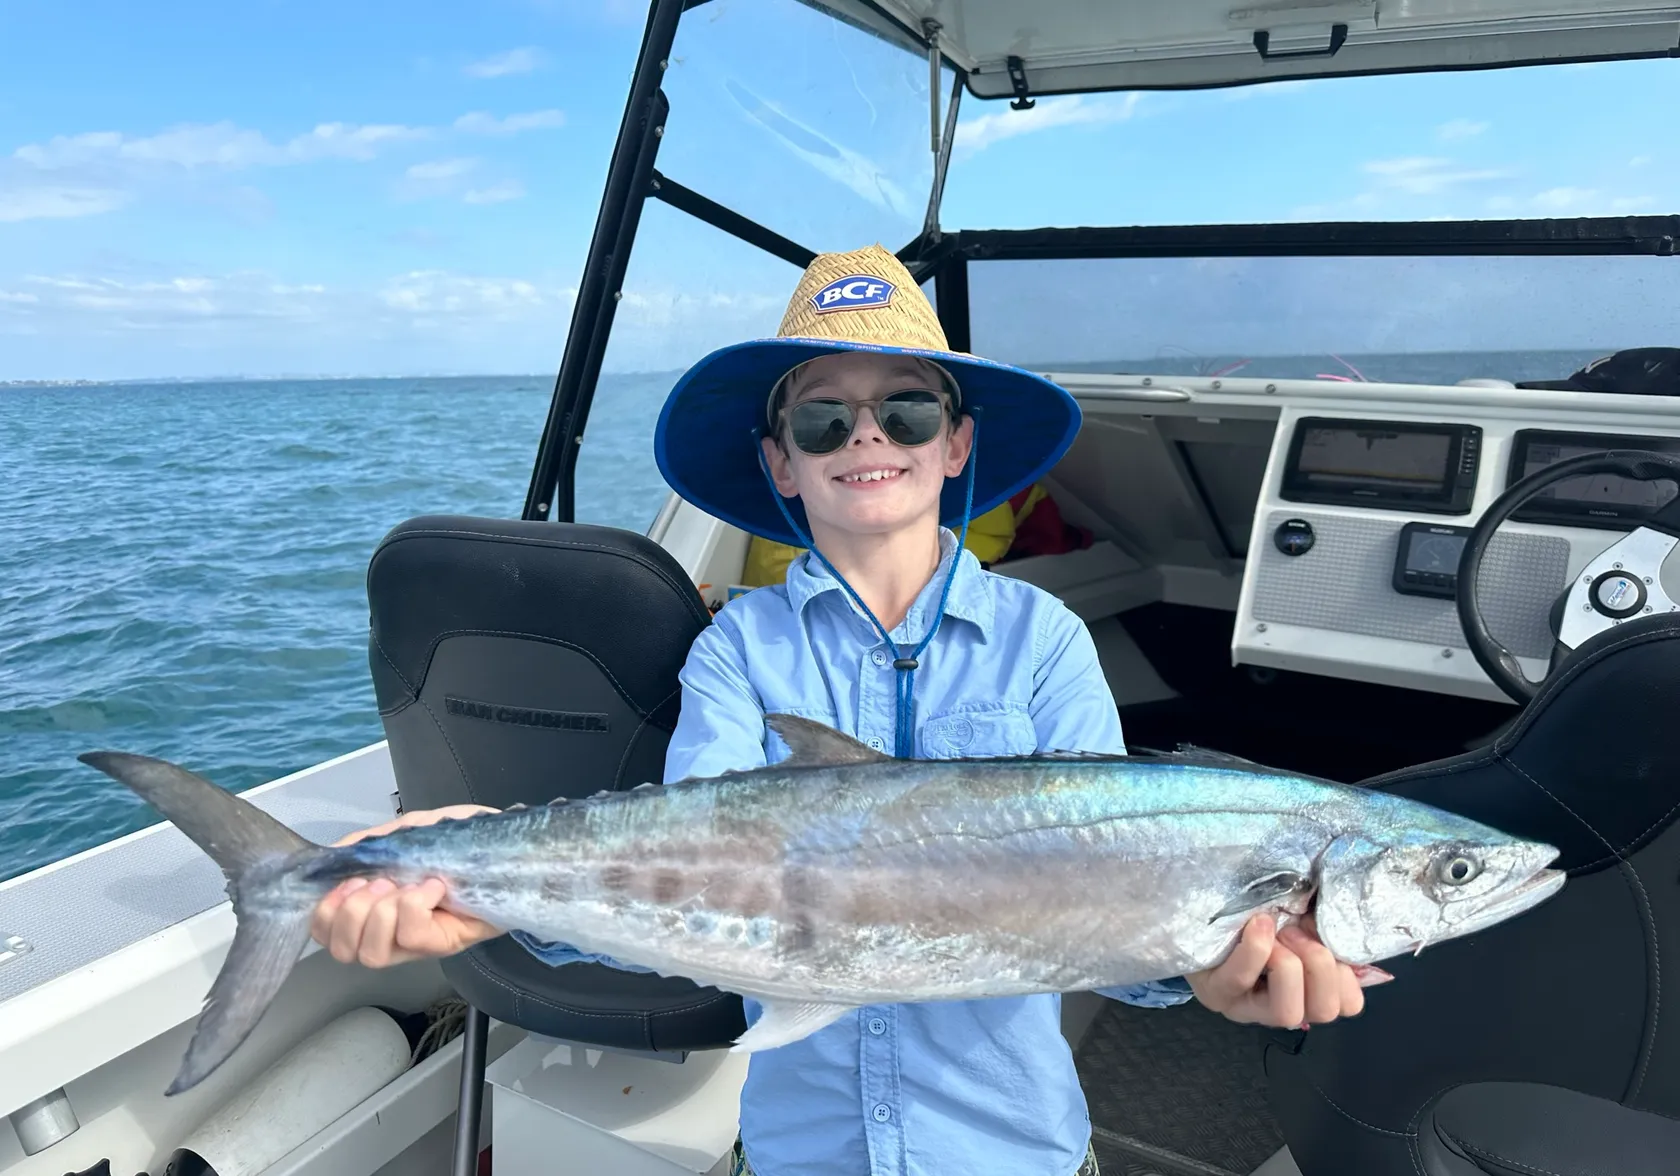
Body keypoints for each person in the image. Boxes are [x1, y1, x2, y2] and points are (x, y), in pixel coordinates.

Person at [311, 245, 1373, 1176]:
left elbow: (1113, 906)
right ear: (784, 462)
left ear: (955, 444)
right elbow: (687, 893)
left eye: (905, 409)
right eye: (825, 418)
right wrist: (492, 896)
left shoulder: (1042, 640)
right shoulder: (740, 647)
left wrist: (1209, 975)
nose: (867, 435)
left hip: (1012, 1151)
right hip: (799, 1149)